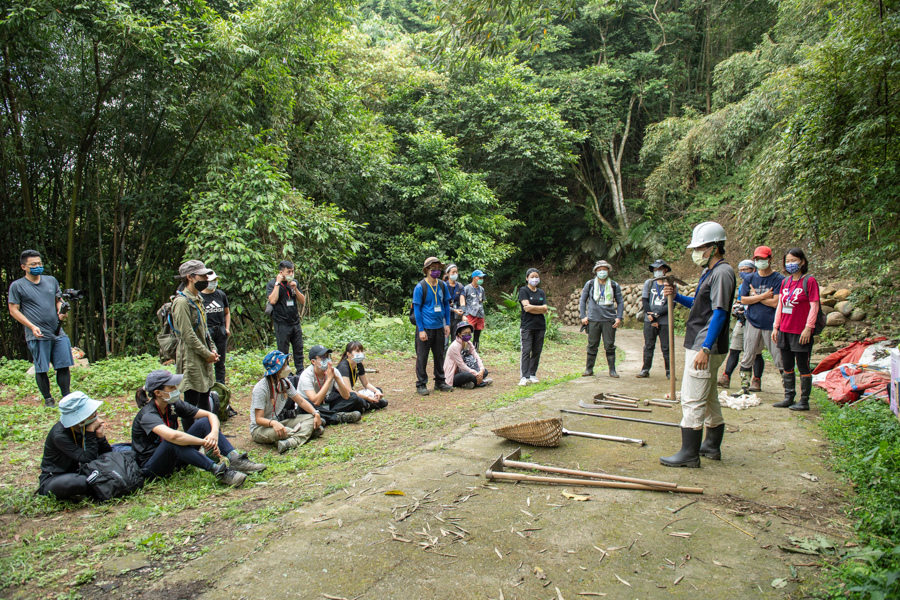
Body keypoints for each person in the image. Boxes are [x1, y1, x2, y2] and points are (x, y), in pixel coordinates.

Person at [660, 221, 735, 468]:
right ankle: (711, 446)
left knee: (692, 398)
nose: (696, 252)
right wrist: (676, 295)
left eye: (700, 247)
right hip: (704, 341)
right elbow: (699, 305)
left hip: (706, 345)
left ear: (714, 247)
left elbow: (720, 312)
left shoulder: (722, 273)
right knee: (709, 395)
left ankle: (689, 454)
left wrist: (705, 347)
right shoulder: (710, 271)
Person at [132, 370, 265, 486]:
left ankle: (235, 459)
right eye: (171, 387)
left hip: (175, 460)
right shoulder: (147, 415)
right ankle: (219, 471)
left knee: (204, 422)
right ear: (158, 393)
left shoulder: (172, 405)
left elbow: (210, 415)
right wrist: (204, 442)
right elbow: (173, 436)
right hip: (153, 466)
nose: (176, 390)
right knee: (173, 441)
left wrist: (213, 434)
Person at [8, 250, 74, 407]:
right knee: (41, 368)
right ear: (23, 266)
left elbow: (58, 300)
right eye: (33, 264)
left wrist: (61, 311)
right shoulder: (17, 286)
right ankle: (48, 399)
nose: (38, 266)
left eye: (39, 263)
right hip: (36, 333)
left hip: (57, 331)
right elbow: (13, 310)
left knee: (63, 365)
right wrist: (31, 326)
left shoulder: (51, 280)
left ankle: (66, 397)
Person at [171, 260, 219, 431]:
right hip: (191, 358)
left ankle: (209, 435)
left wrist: (212, 349)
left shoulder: (198, 298)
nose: (206, 279)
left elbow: (204, 330)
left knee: (205, 396)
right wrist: (206, 353)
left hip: (204, 356)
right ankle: (192, 440)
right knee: (192, 400)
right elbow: (187, 335)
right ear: (190, 278)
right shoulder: (182, 302)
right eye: (202, 276)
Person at [37, 392, 112, 500]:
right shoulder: (60, 435)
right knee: (79, 482)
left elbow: (108, 454)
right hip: (57, 477)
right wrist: (90, 432)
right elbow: (88, 458)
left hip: (81, 470)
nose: (96, 414)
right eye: (92, 412)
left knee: (125, 454)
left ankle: (96, 484)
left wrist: (100, 437)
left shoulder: (83, 426)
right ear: (81, 418)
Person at [772, 248, 820, 411]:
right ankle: (788, 396)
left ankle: (804, 400)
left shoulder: (810, 281)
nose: (790, 264)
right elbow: (780, 305)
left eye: (794, 260)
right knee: (787, 365)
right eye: (788, 261)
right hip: (784, 330)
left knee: (803, 365)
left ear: (803, 261)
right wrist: (775, 327)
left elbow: (814, 305)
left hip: (801, 331)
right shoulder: (785, 282)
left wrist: (809, 328)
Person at [734, 246, 785, 396]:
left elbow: (776, 303)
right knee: (748, 355)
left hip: (771, 324)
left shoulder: (778, 279)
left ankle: (788, 391)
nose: (760, 262)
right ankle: (744, 387)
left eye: (763, 259)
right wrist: (763, 296)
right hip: (752, 321)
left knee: (779, 358)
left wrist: (755, 297)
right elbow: (743, 299)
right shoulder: (750, 278)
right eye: (757, 259)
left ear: (770, 259)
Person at [250, 351, 324, 454]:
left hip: (278, 421)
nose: (287, 367)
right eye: (283, 365)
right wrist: (273, 423)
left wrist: (315, 413)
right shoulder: (261, 389)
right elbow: (258, 419)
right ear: (276, 369)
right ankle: (302, 436)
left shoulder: (284, 382)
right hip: (261, 428)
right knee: (287, 431)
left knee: (311, 419)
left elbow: (301, 401)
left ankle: (292, 441)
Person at [717, 260, 765, 389]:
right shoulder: (744, 285)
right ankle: (726, 377)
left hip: (756, 323)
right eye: (741, 270)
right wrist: (737, 308)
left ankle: (756, 380)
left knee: (756, 353)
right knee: (734, 349)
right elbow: (740, 301)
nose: (743, 273)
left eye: (746, 270)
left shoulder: (760, 284)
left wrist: (752, 299)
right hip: (742, 321)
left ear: (753, 270)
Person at [412, 257, 453, 396]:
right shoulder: (420, 287)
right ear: (426, 270)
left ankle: (440, 381)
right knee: (422, 356)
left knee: (439, 355)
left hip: (439, 327)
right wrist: (421, 330)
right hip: (426, 327)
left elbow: (446, 305)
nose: (436, 271)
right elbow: (417, 310)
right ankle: (421, 384)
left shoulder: (442, 285)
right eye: (433, 269)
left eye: (438, 269)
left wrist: (447, 324)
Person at [292, 345, 362, 425]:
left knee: (353, 396)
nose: (327, 360)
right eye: (323, 358)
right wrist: (329, 379)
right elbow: (316, 402)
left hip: (324, 403)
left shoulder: (333, 371)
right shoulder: (306, 375)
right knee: (305, 405)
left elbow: (346, 396)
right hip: (309, 407)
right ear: (313, 361)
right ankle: (337, 417)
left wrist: (336, 378)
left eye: (328, 357)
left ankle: (326, 416)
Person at [579, 260, 624, 378]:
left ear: (608, 271)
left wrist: (619, 317)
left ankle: (612, 370)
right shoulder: (590, 284)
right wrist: (583, 316)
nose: (602, 272)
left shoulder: (614, 285)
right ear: (595, 272)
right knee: (592, 344)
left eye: (604, 269)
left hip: (609, 320)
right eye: (599, 270)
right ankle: (589, 369)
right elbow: (583, 300)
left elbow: (620, 302)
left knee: (609, 345)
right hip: (593, 319)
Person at [266, 260, 306, 371]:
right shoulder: (272, 284)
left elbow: (302, 300)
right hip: (282, 324)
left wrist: (296, 289)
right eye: (288, 272)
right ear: (281, 272)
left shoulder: (294, 283)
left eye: (292, 271)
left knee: (299, 349)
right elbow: (273, 300)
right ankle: (285, 374)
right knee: (283, 351)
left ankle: (300, 372)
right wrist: (277, 283)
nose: (291, 274)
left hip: (295, 323)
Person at [637, 259, 673, 379]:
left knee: (666, 347)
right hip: (649, 320)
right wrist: (651, 318)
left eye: (660, 269)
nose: (657, 271)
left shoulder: (670, 284)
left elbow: (671, 303)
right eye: (655, 269)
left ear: (665, 270)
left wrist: (656, 315)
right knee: (648, 346)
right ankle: (645, 370)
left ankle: (669, 372)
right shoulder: (650, 283)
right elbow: (645, 300)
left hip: (665, 321)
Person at [332, 342, 389, 412]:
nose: (360, 353)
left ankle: (367, 405)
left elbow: (366, 384)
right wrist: (368, 398)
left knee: (378, 390)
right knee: (355, 398)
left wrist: (377, 391)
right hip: (341, 396)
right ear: (348, 354)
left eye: (361, 351)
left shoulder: (358, 364)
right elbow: (349, 391)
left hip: (352, 393)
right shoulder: (343, 367)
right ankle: (369, 405)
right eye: (357, 351)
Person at [518, 268, 549, 386]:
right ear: (527, 278)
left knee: (537, 351)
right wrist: (541, 309)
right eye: (532, 276)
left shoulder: (541, 292)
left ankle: (532, 374)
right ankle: (524, 376)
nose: (534, 278)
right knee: (526, 350)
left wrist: (533, 308)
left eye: (536, 276)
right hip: (527, 326)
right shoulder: (523, 290)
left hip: (540, 326)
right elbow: (526, 307)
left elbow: (545, 308)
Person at [200, 271, 230, 384]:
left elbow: (227, 312)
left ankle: (220, 386)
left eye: (215, 280)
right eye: (211, 281)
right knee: (207, 359)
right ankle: (207, 385)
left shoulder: (221, 295)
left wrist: (227, 328)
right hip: (207, 330)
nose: (214, 283)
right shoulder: (199, 296)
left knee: (220, 362)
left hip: (220, 329)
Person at [444, 322, 493, 389]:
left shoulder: (468, 343)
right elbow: (461, 365)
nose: (468, 335)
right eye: (465, 333)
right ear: (459, 334)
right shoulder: (454, 346)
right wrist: (476, 374)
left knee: (485, 371)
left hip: (468, 370)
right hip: (455, 374)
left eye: (469, 333)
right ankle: (481, 382)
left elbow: (476, 356)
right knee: (468, 375)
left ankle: (469, 383)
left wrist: (481, 371)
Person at [463, 269, 487, 350]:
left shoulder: (482, 289)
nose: (481, 279)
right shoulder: (466, 288)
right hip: (470, 314)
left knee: (477, 335)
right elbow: (463, 302)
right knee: (467, 334)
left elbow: (482, 300)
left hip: (480, 314)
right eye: (479, 278)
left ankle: (475, 351)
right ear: (474, 278)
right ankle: (466, 350)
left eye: (482, 278)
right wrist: (465, 314)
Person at [444, 264, 466, 342]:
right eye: (453, 272)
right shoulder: (443, 286)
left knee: (456, 341)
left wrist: (463, 313)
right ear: (447, 273)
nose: (455, 274)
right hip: (445, 317)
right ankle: (443, 354)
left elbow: (462, 301)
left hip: (457, 318)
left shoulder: (460, 286)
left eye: (456, 272)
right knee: (445, 342)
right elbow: (442, 303)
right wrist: (454, 310)